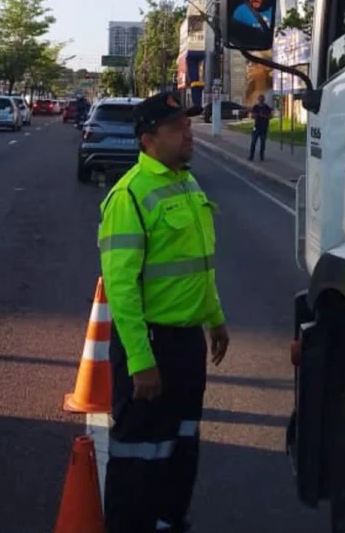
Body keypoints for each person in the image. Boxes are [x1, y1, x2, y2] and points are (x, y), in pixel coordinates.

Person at [98, 91, 231, 533]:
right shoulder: (130, 195)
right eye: (178, 128)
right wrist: (140, 360)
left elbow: (199, 265)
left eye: (189, 126)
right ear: (149, 138)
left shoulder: (187, 184)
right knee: (139, 451)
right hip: (151, 344)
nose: (189, 134)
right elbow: (121, 289)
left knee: (182, 443)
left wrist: (214, 318)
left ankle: (169, 521)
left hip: (187, 343)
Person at [248, 94, 273, 161]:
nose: (260, 100)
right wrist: (255, 115)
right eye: (259, 99)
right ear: (258, 100)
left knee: (262, 143)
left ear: (263, 100)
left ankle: (261, 156)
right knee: (253, 142)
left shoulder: (267, 107)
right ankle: (251, 156)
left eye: (262, 99)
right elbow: (252, 116)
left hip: (264, 127)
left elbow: (271, 116)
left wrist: (265, 116)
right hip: (256, 127)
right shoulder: (256, 107)